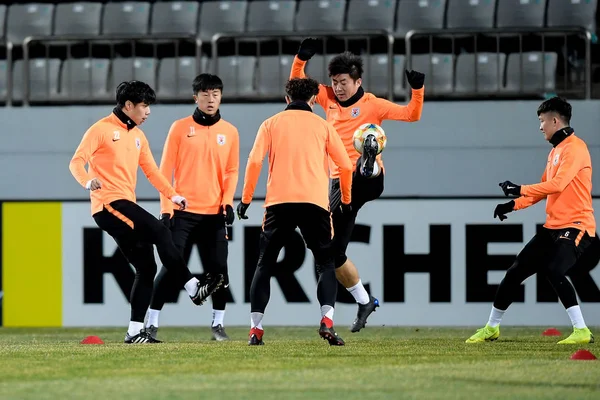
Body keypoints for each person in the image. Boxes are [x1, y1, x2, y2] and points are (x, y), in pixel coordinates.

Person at [69, 81, 224, 344]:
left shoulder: (138, 136)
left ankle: (134, 332)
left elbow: (152, 172)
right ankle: (192, 287)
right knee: (160, 231)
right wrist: (87, 181)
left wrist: (173, 195)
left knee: (147, 266)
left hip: (123, 204)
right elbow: (76, 161)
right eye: (144, 105)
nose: (148, 111)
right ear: (128, 106)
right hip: (109, 204)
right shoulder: (101, 129)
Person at [289, 38, 425, 332]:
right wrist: (300, 60)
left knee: (364, 160)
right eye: (334, 82)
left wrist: (417, 90)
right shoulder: (326, 99)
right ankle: (365, 301)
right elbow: (296, 86)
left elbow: (412, 115)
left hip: (369, 181)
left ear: (358, 81)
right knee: (333, 253)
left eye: (343, 82)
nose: (338, 87)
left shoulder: (372, 104)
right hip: (339, 184)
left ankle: (369, 157)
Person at [467, 96, 595, 345]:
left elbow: (557, 185)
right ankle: (492, 328)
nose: (540, 127)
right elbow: (543, 190)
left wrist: (518, 188)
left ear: (555, 121)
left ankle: (581, 330)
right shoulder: (555, 151)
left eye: (542, 121)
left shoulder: (576, 148)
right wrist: (513, 204)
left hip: (577, 225)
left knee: (554, 269)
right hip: (552, 228)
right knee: (515, 273)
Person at [237, 77, 353, 346]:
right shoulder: (323, 126)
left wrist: (245, 198)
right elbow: (345, 166)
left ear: (287, 99)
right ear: (314, 99)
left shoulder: (271, 123)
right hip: (315, 203)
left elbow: (254, 160)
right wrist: (345, 200)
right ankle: (327, 321)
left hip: (279, 202)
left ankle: (256, 329)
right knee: (325, 263)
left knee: (265, 264)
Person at [145, 74, 239, 342]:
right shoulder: (179, 128)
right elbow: (164, 170)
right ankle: (151, 323)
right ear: (195, 97)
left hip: (214, 215)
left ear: (221, 97)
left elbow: (232, 171)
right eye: (206, 94)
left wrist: (227, 201)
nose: (211, 99)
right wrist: (166, 208)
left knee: (219, 271)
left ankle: (217, 326)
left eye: (216, 94)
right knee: (171, 268)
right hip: (182, 212)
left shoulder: (230, 131)